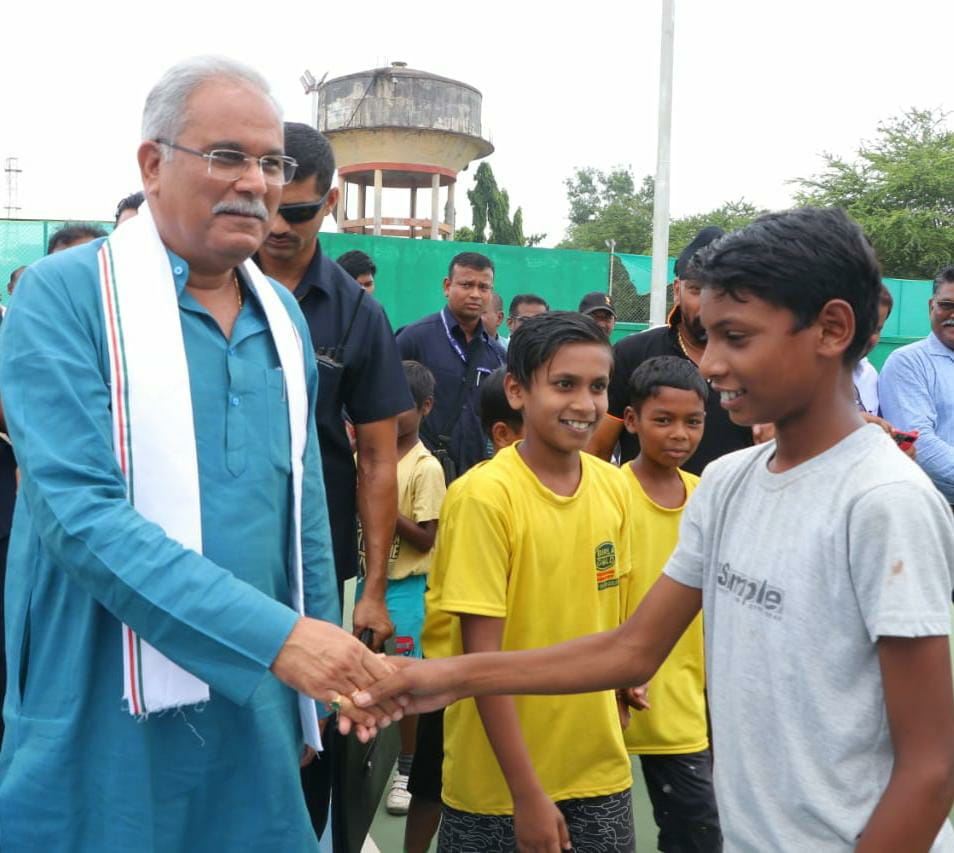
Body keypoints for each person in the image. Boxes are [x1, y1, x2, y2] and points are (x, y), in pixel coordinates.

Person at [359, 208, 954, 852]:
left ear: (832, 329)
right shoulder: (728, 485)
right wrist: (442, 679)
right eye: (708, 336)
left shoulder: (885, 503)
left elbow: (931, 765)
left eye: (737, 337)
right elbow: (631, 651)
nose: (713, 363)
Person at [0, 56, 396, 853]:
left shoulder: (282, 313)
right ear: (152, 164)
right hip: (102, 686)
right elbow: (81, 519)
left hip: (257, 697)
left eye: (270, 162)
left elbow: (303, 510)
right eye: (227, 156)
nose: (257, 183)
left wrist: (319, 663)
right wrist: (281, 640)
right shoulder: (65, 297)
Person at [422, 311, 635, 852]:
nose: (585, 404)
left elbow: (611, 617)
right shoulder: (483, 497)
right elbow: (480, 665)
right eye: (564, 384)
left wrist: (622, 682)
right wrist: (527, 795)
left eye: (598, 386)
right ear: (516, 391)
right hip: (499, 786)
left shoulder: (614, 488)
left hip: (599, 773)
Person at [254, 122, 410, 639]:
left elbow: (379, 458)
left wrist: (374, 591)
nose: (277, 226)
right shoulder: (209, 281)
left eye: (297, 212)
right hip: (214, 533)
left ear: (332, 202)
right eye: (266, 205)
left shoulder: (359, 314)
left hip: (314, 546)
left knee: (311, 703)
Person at [402, 365, 524, 853]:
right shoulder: (475, 494)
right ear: (502, 433)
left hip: (498, 670)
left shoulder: (585, 488)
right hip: (453, 673)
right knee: (433, 784)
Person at [619, 356, 722, 852]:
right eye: (663, 420)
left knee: (698, 834)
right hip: (602, 699)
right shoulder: (605, 492)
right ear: (633, 421)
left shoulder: (708, 499)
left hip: (681, 705)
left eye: (692, 421)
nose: (679, 433)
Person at [354, 360, 446, 816]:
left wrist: (382, 506)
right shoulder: (370, 458)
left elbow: (428, 537)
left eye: (402, 407)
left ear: (425, 408)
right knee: (363, 671)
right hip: (370, 587)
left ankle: (407, 769)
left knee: (404, 680)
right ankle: (365, 759)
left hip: (407, 591)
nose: (391, 414)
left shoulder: (425, 467)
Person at [587, 226, 754, 474]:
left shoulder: (760, 363)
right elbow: (596, 453)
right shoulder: (631, 354)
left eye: (723, 291)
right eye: (697, 290)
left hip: (733, 509)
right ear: (677, 290)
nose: (709, 304)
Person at [397, 252, 506, 479]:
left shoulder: (496, 355)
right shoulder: (414, 339)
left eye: (484, 287)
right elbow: (385, 402)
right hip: (420, 475)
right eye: (467, 285)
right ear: (447, 286)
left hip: (475, 477)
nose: (475, 294)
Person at [879, 265, 954, 505]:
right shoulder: (908, 363)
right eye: (947, 305)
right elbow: (920, 442)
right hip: (936, 509)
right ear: (931, 306)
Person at [854, 284, 894, 415]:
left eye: (877, 329)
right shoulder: (800, 376)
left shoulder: (869, 375)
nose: (868, 337)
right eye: (862, 326)